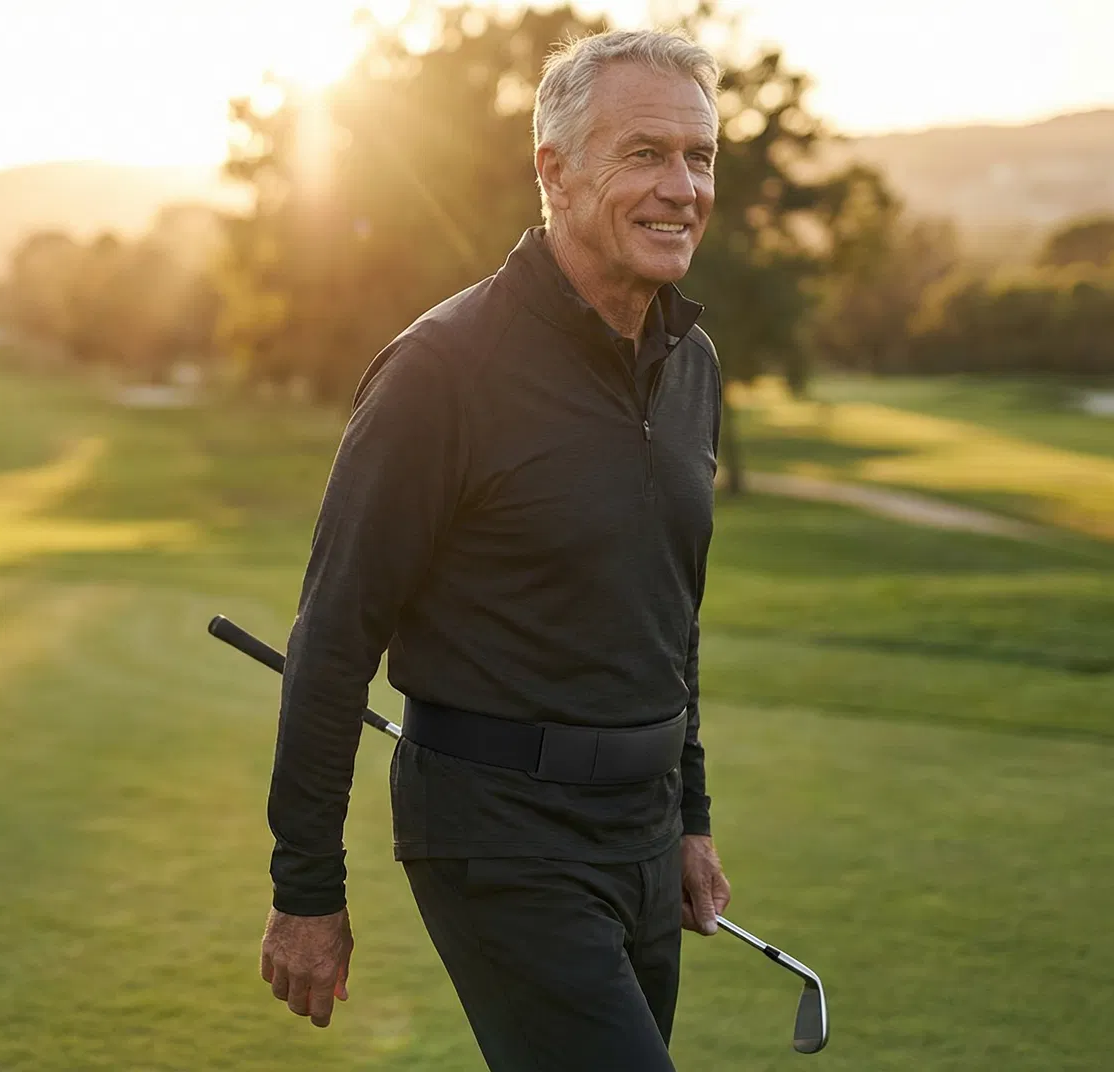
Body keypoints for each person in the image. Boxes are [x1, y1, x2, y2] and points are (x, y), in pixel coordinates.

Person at [259, 27, 730, 1071]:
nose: (682, 187)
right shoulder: (441, 371)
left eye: (699, 156)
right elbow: (333, 638)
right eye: (644, 153)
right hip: (499, 834)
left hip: (645, 830)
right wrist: (307, 892)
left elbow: (667, 618)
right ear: (553, 171)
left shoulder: (692, 362)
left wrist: (691, 817)